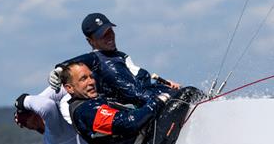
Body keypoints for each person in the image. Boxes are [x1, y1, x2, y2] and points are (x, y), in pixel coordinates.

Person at [60, 61, 199, 144]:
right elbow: (130, 123)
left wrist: (165, 90)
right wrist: (160, 100)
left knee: (175, 95)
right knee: (187, 93)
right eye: (83, 79)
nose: (91, 82)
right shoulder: (86, 112)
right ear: (69, 88)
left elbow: (135, 97)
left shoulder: (93, 101)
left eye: (91, 76)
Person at [49, 13, 180, 106]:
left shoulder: (121, 56)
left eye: (109, 31)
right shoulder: (95, 59)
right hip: (142, 109)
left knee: (187, 92)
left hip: (151, 98)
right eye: (102, 35)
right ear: (91, 41)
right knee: (187, 94)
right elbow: (77, 62)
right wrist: (60, 69)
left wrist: (163, 86)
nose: (109, 37)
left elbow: (140, 85)